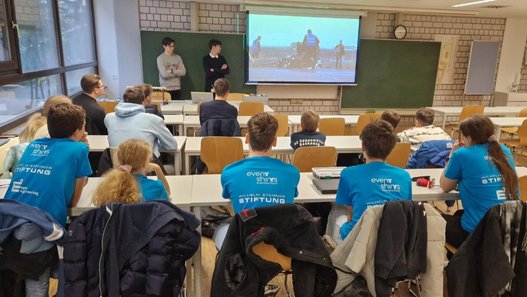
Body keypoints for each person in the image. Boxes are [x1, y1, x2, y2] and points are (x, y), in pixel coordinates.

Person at [4, 103, 92, 295]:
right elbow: (73, 202)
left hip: (11, 216)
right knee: (37, 279)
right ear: (78, 130)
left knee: (26, 272)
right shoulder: (79, 150)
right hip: (39, 222)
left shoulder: (33, 146)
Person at [440, 115, 518, 248]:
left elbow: (445, 186)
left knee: (434, 222)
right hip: (509, 232)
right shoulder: (504, 151)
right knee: (459, 214)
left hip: (478, 234)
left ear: (468, 137)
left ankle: (458, 264)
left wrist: (452, 154)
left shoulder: (463, 154)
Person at [334, 119, 412, 241]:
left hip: (359, 238)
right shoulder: (404, 176)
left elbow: (351, 215)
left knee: (336, 213)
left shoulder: (348, 174)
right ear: (392, 147)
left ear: (363, 146)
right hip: (392, 241)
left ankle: (332, 254)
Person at [222, 113, 300, 213]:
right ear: (275, 141)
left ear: (247, 138)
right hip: (282, 228)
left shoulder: (229, 173)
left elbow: (227, 196)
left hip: (245, 228)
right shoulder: (292, 173)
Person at [3, 95, 72, 178]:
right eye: (69, 108)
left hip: (27, 173)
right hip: (42, 174)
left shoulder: (34, 124)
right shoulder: (50, 129)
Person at [105, 87, 177, 159]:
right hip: (146, 167)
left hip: (118, 167)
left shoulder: (108, 118)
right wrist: (151, 145)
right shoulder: (154, 120)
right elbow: (172, 146)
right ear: (143, 101)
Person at [92, 139, 169, 206]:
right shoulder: (156, 186)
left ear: (119, 160)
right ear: (145, 163)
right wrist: (157, 169)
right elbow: (167, 195)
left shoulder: (108, 187)